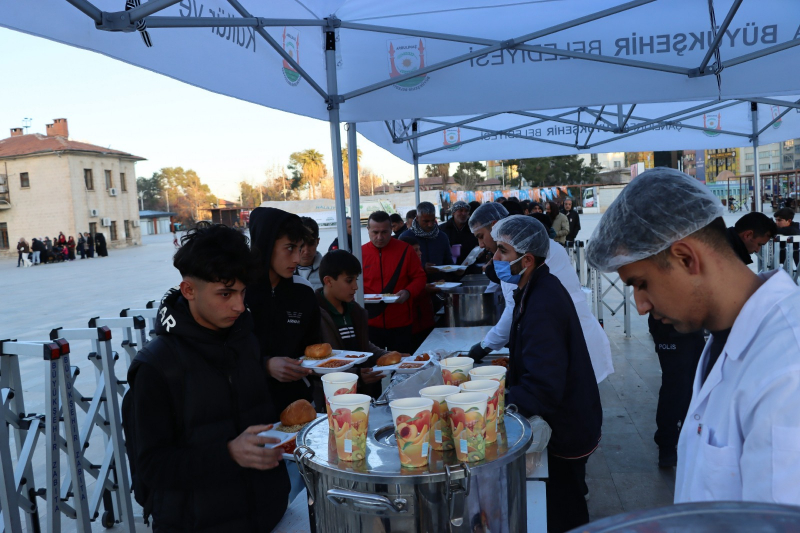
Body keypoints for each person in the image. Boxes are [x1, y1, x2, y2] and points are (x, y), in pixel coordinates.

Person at [586, 167, 800, 505]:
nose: (640, 306)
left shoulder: (788, 371)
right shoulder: (724, 336)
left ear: (686, 258)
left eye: (641, 284)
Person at [126, 222, 290, 532]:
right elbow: (151, 467)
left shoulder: (245, 339)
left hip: (269, 515)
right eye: (225, 294)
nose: (239, 306)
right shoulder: (157, 365)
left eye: (242, 292)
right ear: (188, 290)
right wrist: (228, 454)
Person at [493, 215, 602, 533]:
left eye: (502, 250)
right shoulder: (535, 287)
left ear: (526, 259)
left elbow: (544, 384)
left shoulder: (542, 302)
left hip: (566, 425)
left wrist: (494, 406)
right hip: (565, 417)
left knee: (564, 506)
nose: (495, 258)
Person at [466, 203, 614, 385]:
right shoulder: (526, 252)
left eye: (481, 236)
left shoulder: (533, 259)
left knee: (574, 400)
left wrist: (485, 345)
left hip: (572, 345)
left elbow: (515, 309)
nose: (481, 245)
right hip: (563, 345)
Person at [246, 207, 320, 414]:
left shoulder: (304, 291)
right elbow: (222, 353)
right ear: (266, 245)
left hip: (298, 403)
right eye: (289, 248)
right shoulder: (237, 292)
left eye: (300, 248)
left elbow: (313, 347)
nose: (297, 258)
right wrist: (265, 366)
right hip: (250, 408)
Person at [316, 250, 388, 399]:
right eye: (349, 280)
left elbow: (362, 345)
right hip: (332, 399)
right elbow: (316, 364)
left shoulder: (355, 310)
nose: (355, 286)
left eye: (356, 279)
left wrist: (389, 356)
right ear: (328, 281)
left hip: (363, 394)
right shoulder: (314, 314)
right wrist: (356, 376)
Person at [362, 211, 427, 353]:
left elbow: (420, 277)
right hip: (370, 322)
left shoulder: (405, 250)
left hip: (400, 321)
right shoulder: (359, 253)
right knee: (373, 369)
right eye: (375, 232)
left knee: (401, 367)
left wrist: (408, 292)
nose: (380, 237)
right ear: (368, 230)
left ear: (392, 229)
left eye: (384, 232)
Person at [648, 316, 705, 467]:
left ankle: (685, 436)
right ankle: (667, 444)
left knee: (694, 384)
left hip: (694, 326)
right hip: (671, 326)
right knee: (675, 387)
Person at [398, 234, 437, 350]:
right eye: (415, 250)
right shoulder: (401, 271)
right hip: (412, 326)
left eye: (419, 249)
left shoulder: (419, 268)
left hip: (426, 322)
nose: (420, 253)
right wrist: (424, 289)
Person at [400, 201, 453, 271]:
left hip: (440, 281)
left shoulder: (442, 237)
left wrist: (456, 271)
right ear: (417, 218)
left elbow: (448, 262)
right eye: (426, 221)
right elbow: (401, 265)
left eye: (433, 220)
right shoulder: (406, 237)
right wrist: (423, 267)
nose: (430, 224)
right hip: (415, 281)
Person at [439, 201, 479, 265]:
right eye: (460, 210)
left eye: (466, 211)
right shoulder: (442, 229)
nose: (463, 213)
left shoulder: (473, 229)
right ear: (453, 213)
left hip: (470, 267)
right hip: (449, 267)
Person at [295, 217, 323, 291]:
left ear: (317, 241)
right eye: (301, 245)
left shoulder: (328, 270)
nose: (306, 251)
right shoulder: (283, 271)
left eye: (311, 243)